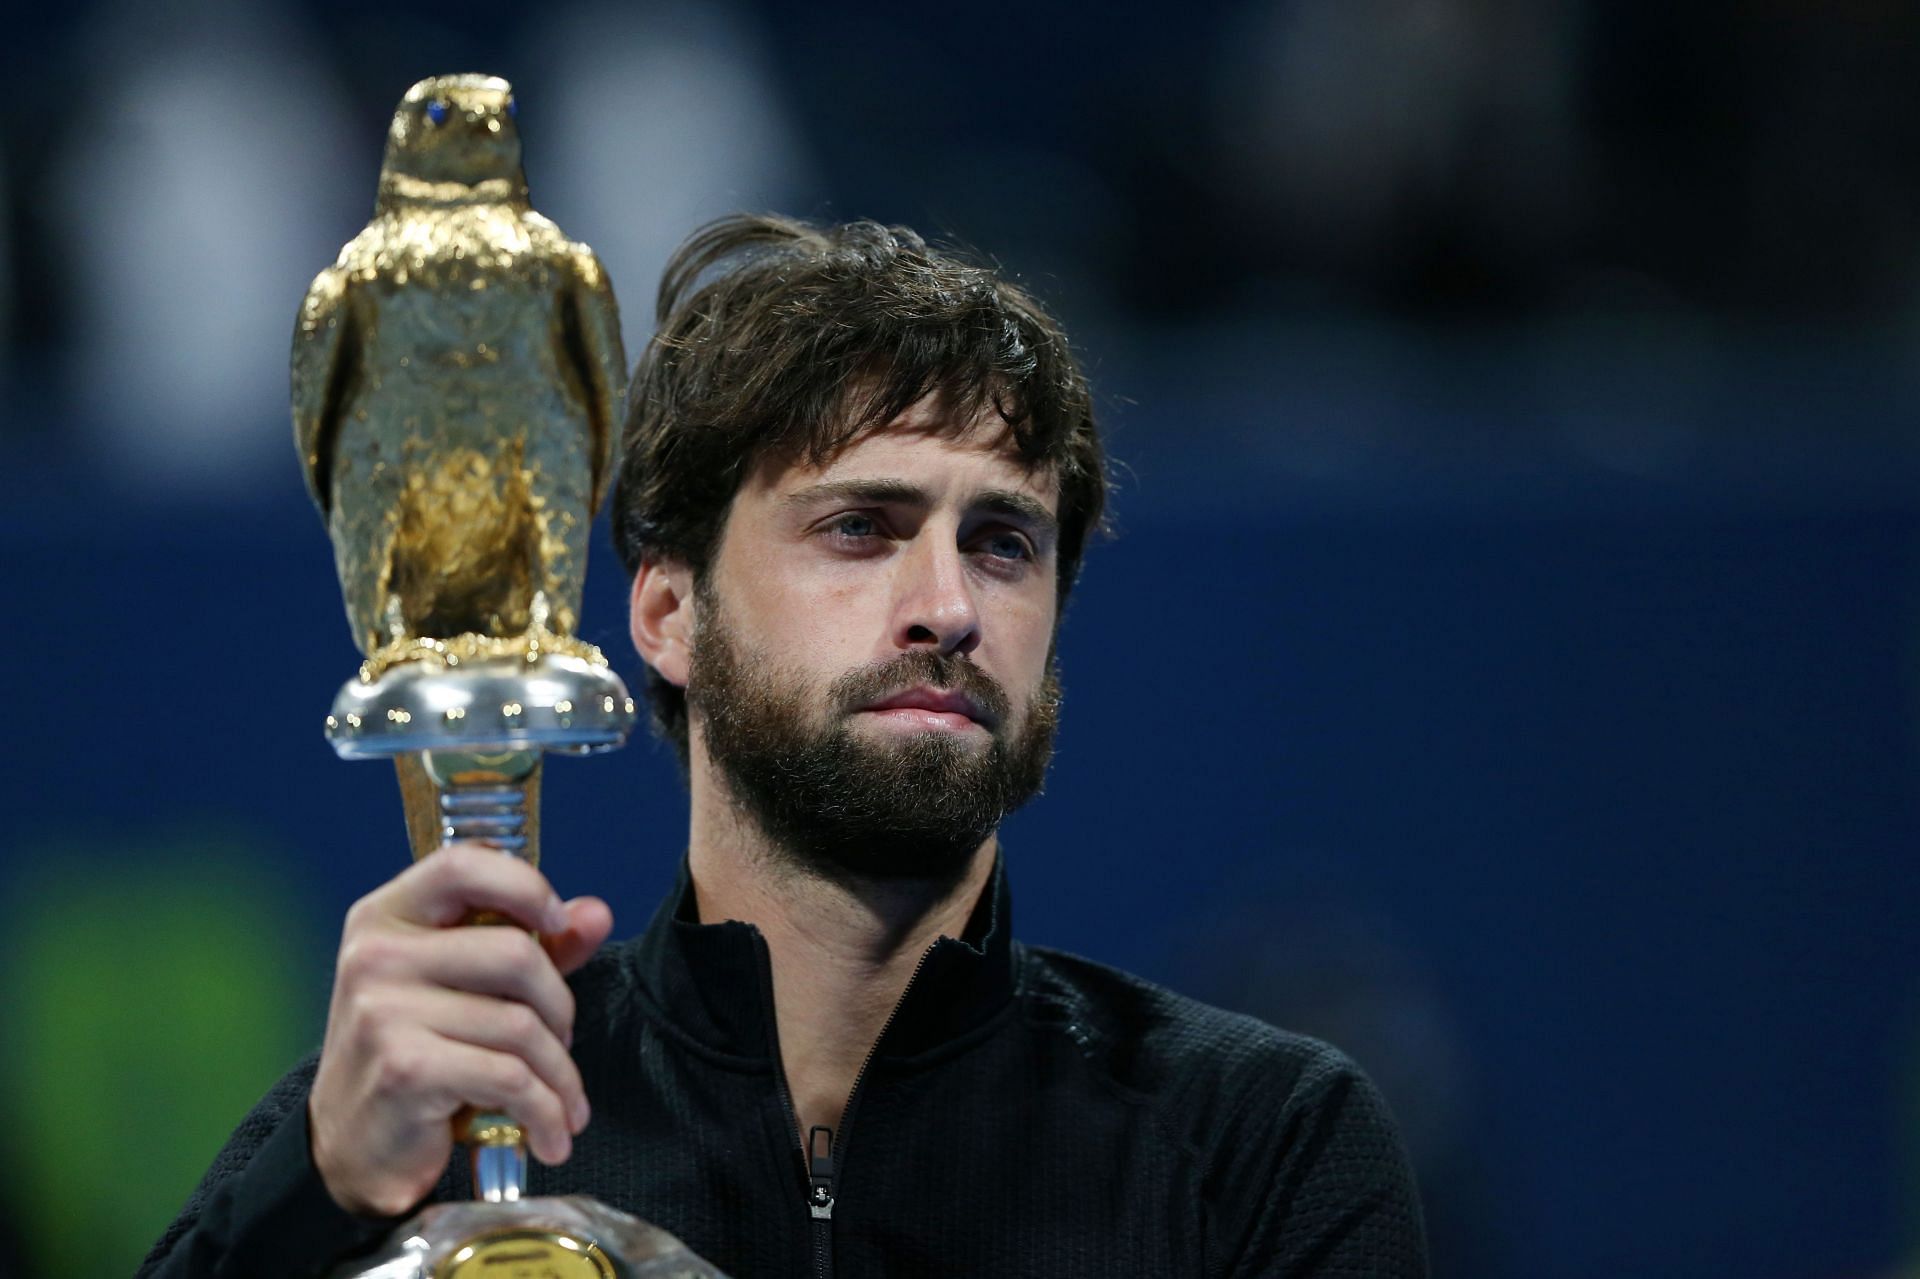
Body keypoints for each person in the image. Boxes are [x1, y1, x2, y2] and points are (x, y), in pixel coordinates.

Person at [140, 215, 1429, 1277]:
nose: (950, 606)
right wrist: (319, 1196)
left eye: (1004, 543)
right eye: (861, 528)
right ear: (666, 612)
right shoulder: (426, 1126)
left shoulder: (1259, 1151)